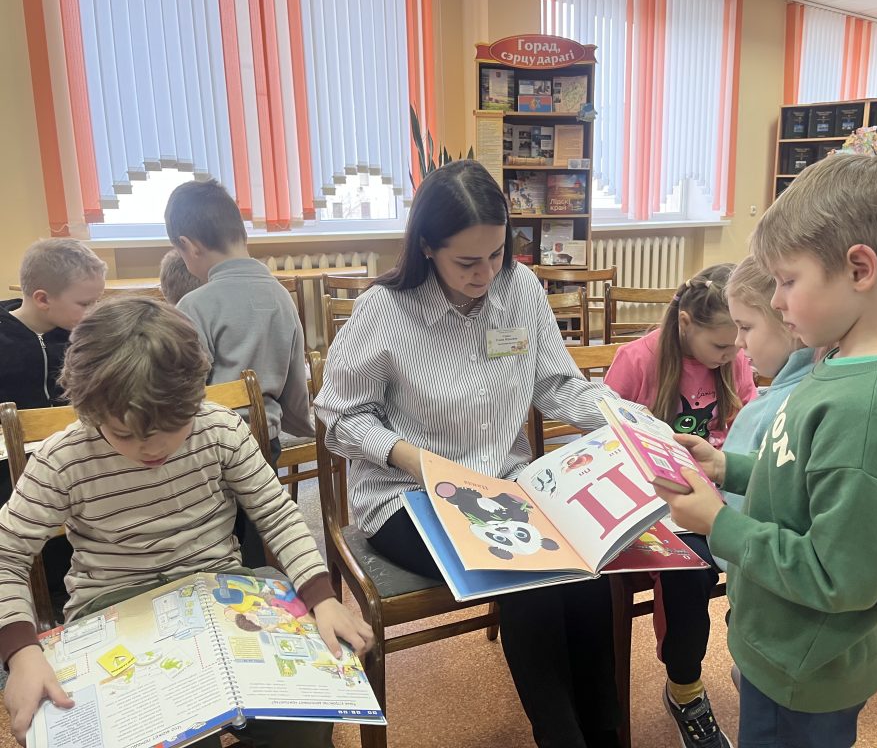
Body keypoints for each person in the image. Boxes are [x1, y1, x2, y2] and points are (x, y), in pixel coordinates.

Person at [314, 159, 626, 748]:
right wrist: (414, 459)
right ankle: (562, 738)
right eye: (467, 262)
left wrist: (631, 424)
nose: (486, 273)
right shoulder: (386, 309)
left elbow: (557, 384)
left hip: (505, 484)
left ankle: (605, 735)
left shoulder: (519, 289)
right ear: (427, 247)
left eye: (497, 254)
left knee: (586, 566)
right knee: (527, 572)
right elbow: (340, 415)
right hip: (407, 495)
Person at [657, 153, 877, 748]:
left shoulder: (867, 410)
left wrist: (719, 525)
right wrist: (727, 466)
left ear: (859, 268)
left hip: (806, 668)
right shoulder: (836, 364)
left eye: (788, 281)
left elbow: (840, 576)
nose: (779, 301)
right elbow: (804, 478)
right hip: (783, 645)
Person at [0, 296, 372, 748]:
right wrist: (21, 651)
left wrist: (322, 596)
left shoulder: (219, 429)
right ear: (88, 410)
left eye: (174, 427)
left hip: (220, 589)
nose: (152, 449)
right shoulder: (62, 460)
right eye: (125, 434)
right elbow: (6, 555)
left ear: (197, 396)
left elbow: (276, 513)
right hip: (115, 603)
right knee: (177, 736)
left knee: (305, 722)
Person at [603, 263, 757, 748]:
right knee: (690, 573)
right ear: (686, 323)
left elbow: (747, 430)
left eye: (738, 342)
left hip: (720, 494)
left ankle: (755, 655)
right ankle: (685, 689)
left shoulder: (733, 360)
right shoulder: (636, 360)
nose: (732, 354)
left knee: (769, 544)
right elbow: (603, 439)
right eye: (721, 345)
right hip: (652, 505)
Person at [166, 178, 313, 566]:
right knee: (261, 527)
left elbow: (184, 393)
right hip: (267, 439)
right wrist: (302, 425)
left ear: (189, 247)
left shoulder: (194, 304)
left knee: (215, 536)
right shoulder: (282, 296)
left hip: (212, 448)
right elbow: (295, 379)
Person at [0, 238, 107, 617]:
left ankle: (75, 595)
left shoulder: (85, 336)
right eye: (85, 304)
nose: (93, 312)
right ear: (43, 299)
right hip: (11, 467)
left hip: (75, 455)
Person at [718, 254, 815, 530]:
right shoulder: (794, 388)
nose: (738, 341)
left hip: (738, 539)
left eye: (745, 327)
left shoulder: (784, 405)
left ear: (788, 321)